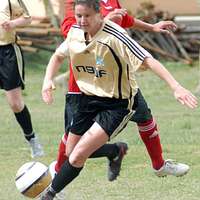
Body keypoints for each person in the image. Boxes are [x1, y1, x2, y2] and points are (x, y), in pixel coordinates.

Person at [40, 0, 198, 199]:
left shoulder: (116, 36)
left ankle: (49, 194)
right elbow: (57, 56)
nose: (81, 21)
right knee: (71, 151)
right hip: (87, 99)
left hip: (116, 104)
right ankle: (115, 151)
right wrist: (47, 81)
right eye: (78, 16)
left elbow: (148, 60)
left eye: (86, 16)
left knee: (79, 154)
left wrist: (176, 87)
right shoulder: (75, 31)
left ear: (99, 14)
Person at [0, 0, 44, 158]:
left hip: (7, 52)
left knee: (15, 103)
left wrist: (12, 23)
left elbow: (27, 18)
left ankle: (32, 138)